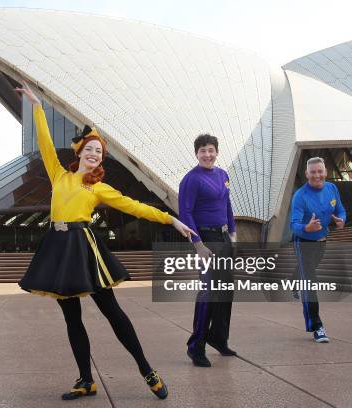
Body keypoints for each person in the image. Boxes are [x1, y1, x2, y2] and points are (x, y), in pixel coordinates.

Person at [15, 82, 197, 401]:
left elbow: (135, 206)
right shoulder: (60, 175)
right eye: (90, 149)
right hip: (57, 248)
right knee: (72, 317)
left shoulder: (99, 188)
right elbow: (44, 142)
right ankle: (86, 380)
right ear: (80, 153)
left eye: (99, 152)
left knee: (112, 311)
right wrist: (37, 107)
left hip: (83, 247)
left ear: (100, 160)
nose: (94, 154)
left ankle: (147, 370)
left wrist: (171, 218)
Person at [178, 134, 237, 367]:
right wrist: (198, 244)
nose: (207, 154)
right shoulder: (191, 180)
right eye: (202, 150)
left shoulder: (223, 175)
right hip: (206, 239)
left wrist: (232, 233)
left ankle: (218, 338)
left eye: (211, 150)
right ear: (196, 154)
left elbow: (227, 205)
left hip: (223, 237)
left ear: (217, 151)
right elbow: (185, 213)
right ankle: (196, 346)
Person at [290, 157, 345, 343]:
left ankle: (294, 279)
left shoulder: (332, 188)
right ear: (307, 174)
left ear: (325, 172)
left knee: (308, 271)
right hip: (304, 242)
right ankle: (317, 326)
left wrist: (341, 220)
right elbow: (293, 225)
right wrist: (306, 228)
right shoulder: (300, 196)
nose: (317, 175)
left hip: (322, 240)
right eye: (312, 172)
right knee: (309, 283)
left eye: (320, 171)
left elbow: (341, 210)